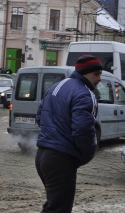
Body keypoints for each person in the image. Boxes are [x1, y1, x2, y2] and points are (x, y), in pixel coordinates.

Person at [35, 54, 103, 213]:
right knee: (59, 209)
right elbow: (83, 130)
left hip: (42, 156)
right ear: (85, 73)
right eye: (96, 74)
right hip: (60, 160)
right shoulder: (85, 94)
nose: (100, 78)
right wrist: (87, 154)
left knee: (53, 206)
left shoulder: (57, 86)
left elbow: (40, 116)